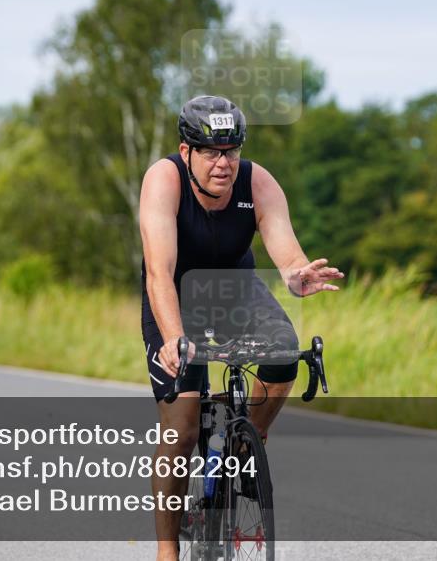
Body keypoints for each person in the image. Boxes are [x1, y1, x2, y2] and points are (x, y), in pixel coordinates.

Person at [139, 95, 344, 560]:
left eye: (231, 151)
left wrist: (297, 275)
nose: (223, 162)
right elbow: (158, 272)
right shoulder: (164, 180)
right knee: (182, 429)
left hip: (235, 291)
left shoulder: (258, 182)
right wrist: (173, 337)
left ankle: (247, 444)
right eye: (211, 151)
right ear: (186, 150)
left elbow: (286, 252)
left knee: (285, 352)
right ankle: (167, 552)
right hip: (174, 293)